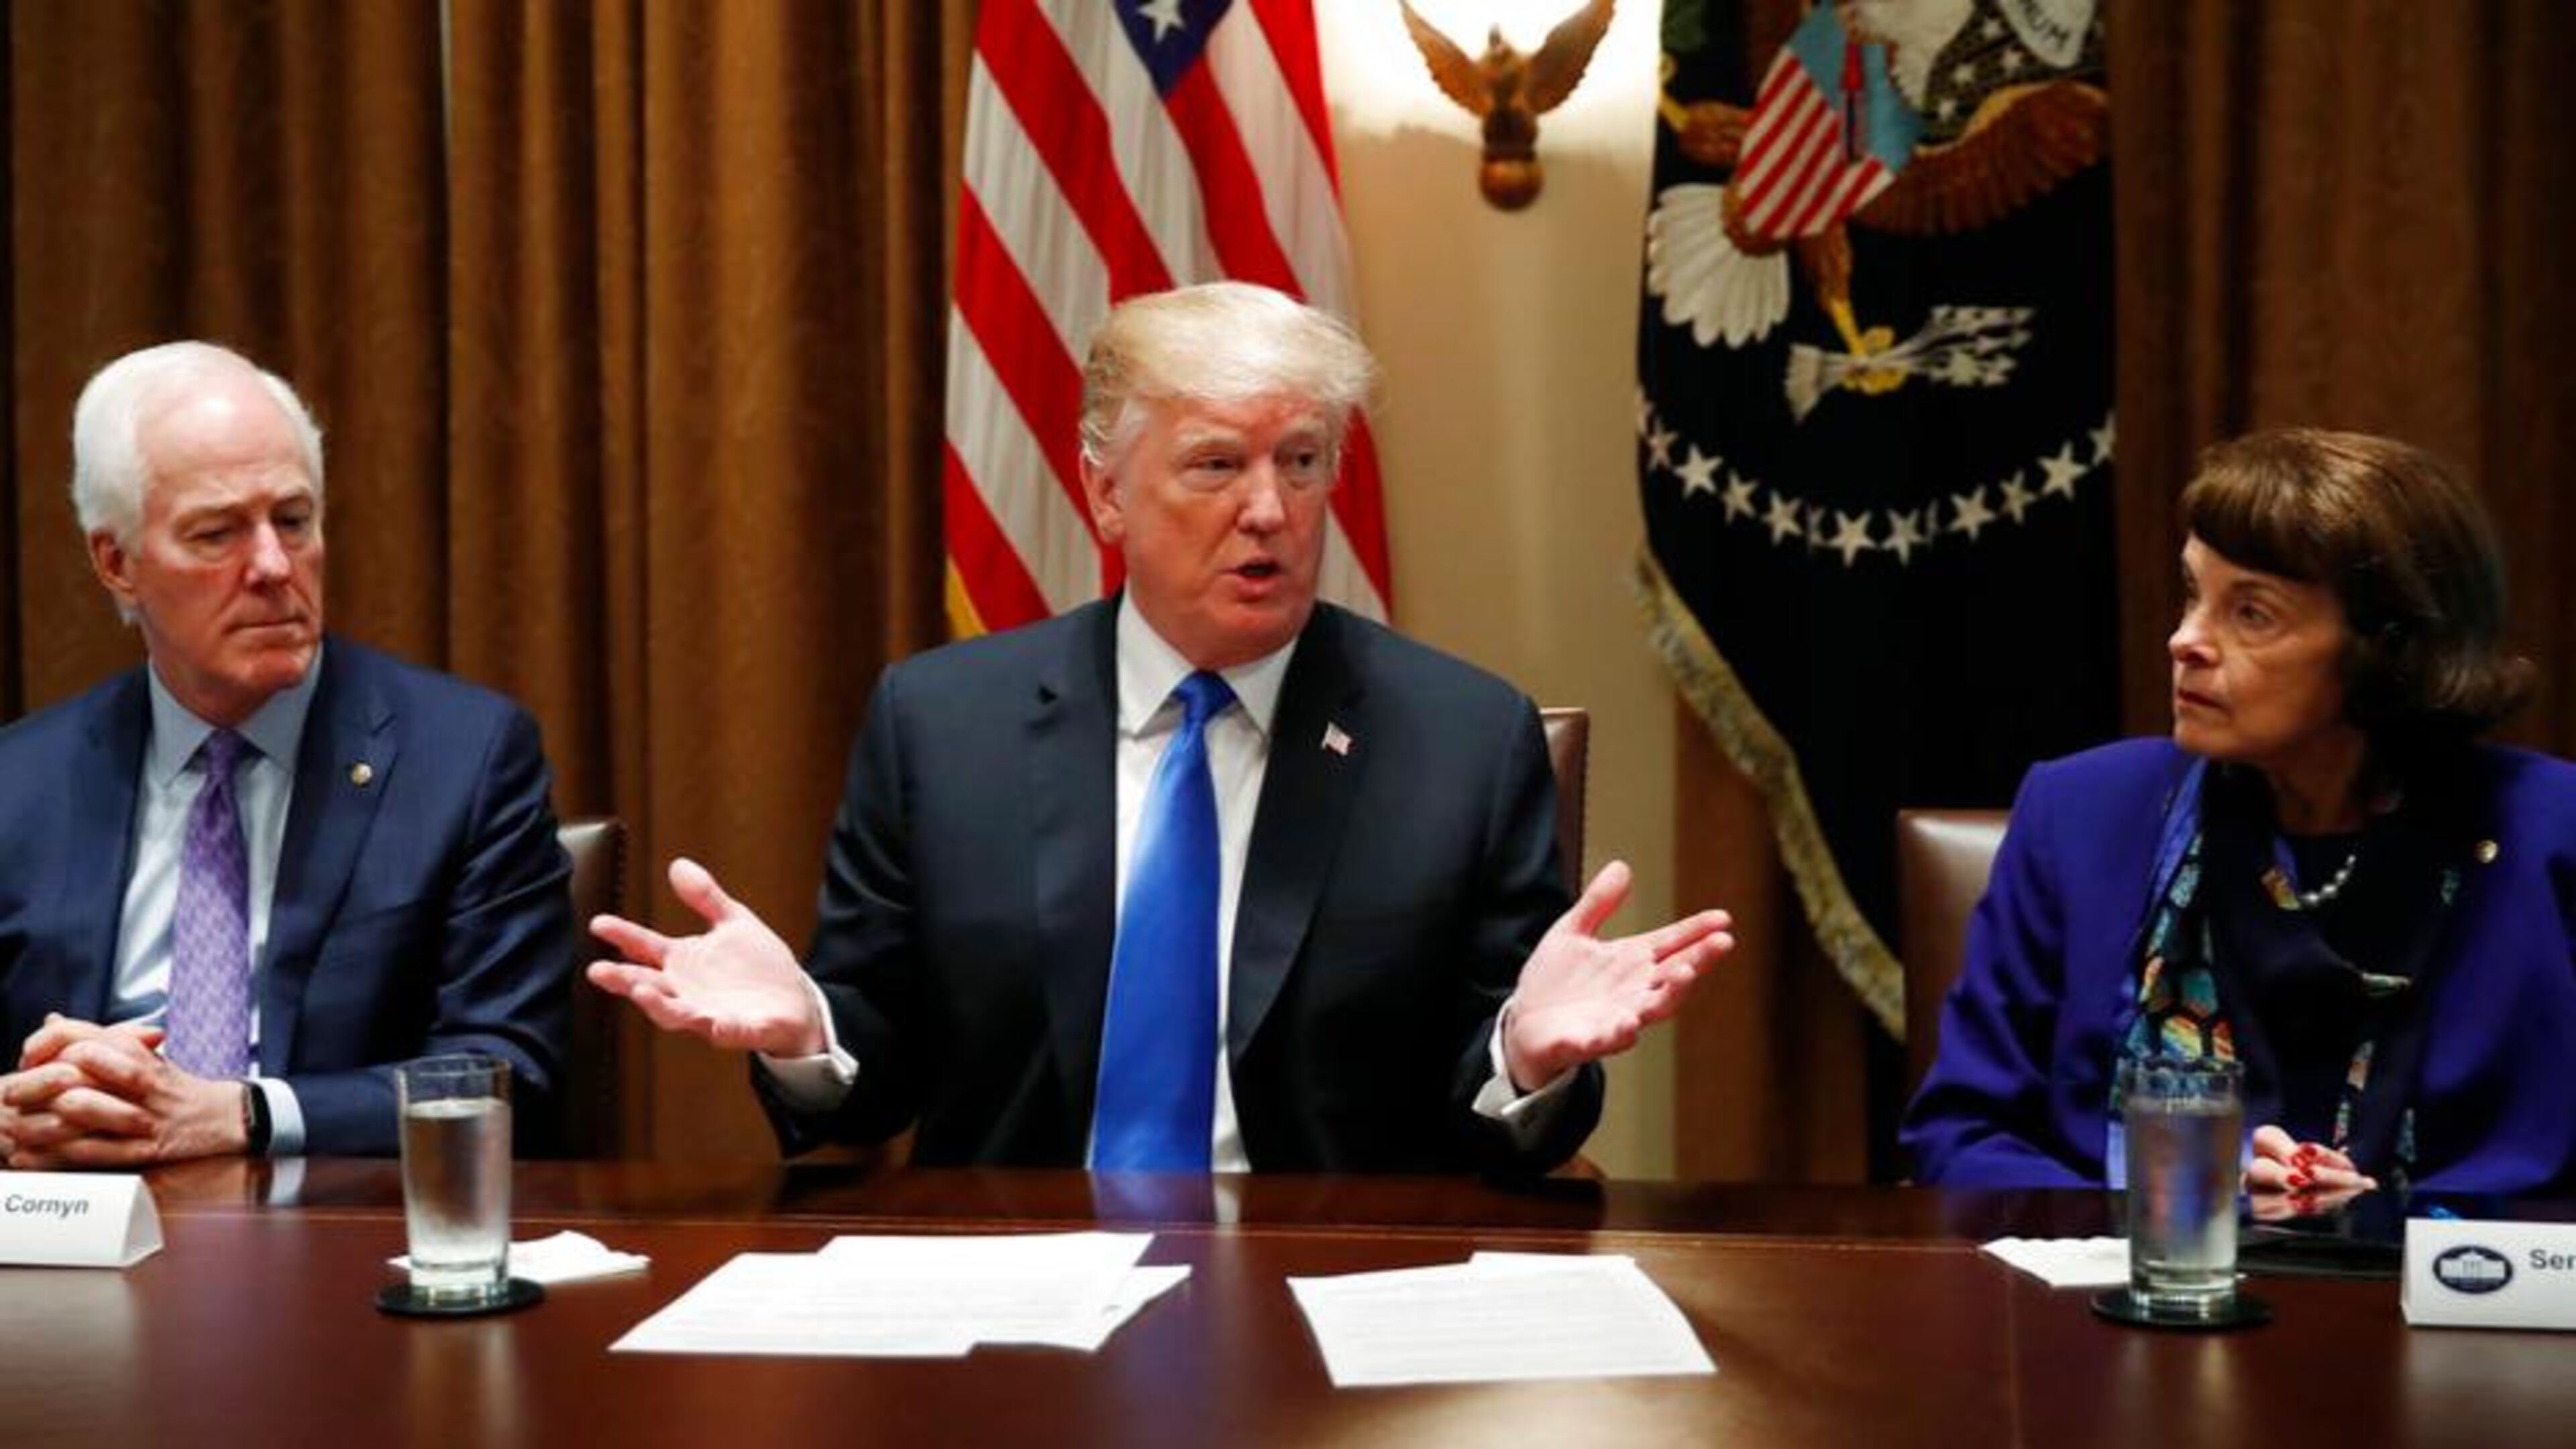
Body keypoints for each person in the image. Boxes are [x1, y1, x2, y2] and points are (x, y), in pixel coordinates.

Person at [589, 282, 1733, 1173]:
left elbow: (1496, 1097)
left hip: (1335, 1284)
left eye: (1301, 462)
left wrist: (1520, 1062)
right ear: (1107, 493)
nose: (1269, 512)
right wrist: (806, 1036)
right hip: (1012, 1286)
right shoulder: (942, 725)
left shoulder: (1460, 738)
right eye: (1216, 466)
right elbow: (874, 1078)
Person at [1904, 428, 2576, 1201]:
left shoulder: (2552, 832)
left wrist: (2385, 1229)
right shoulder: (2080, 812)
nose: (2185, 640)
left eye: (2252, 614)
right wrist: (2180, 1213)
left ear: (2384, 651)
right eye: (2194, 593)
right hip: (2129, 1301)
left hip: (2468, 1306)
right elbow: (1961, 1134)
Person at [0, 341, 573, 1165]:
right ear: (117, 563)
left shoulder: (466, 761)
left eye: (294, 521)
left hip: (338, 1246)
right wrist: (22, 1109)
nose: (273, 566)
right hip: (77, 1242)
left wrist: (242, 1114)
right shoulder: (21, 783)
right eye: (216, 534)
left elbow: (510, 1074)